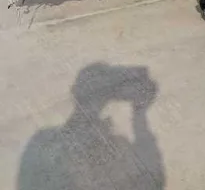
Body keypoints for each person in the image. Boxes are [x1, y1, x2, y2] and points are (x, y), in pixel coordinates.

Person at [17, 62, 165, 190]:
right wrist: (139, 115)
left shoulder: (42, 140)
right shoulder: (116, 147)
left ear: (74, 92)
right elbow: (154, 180)